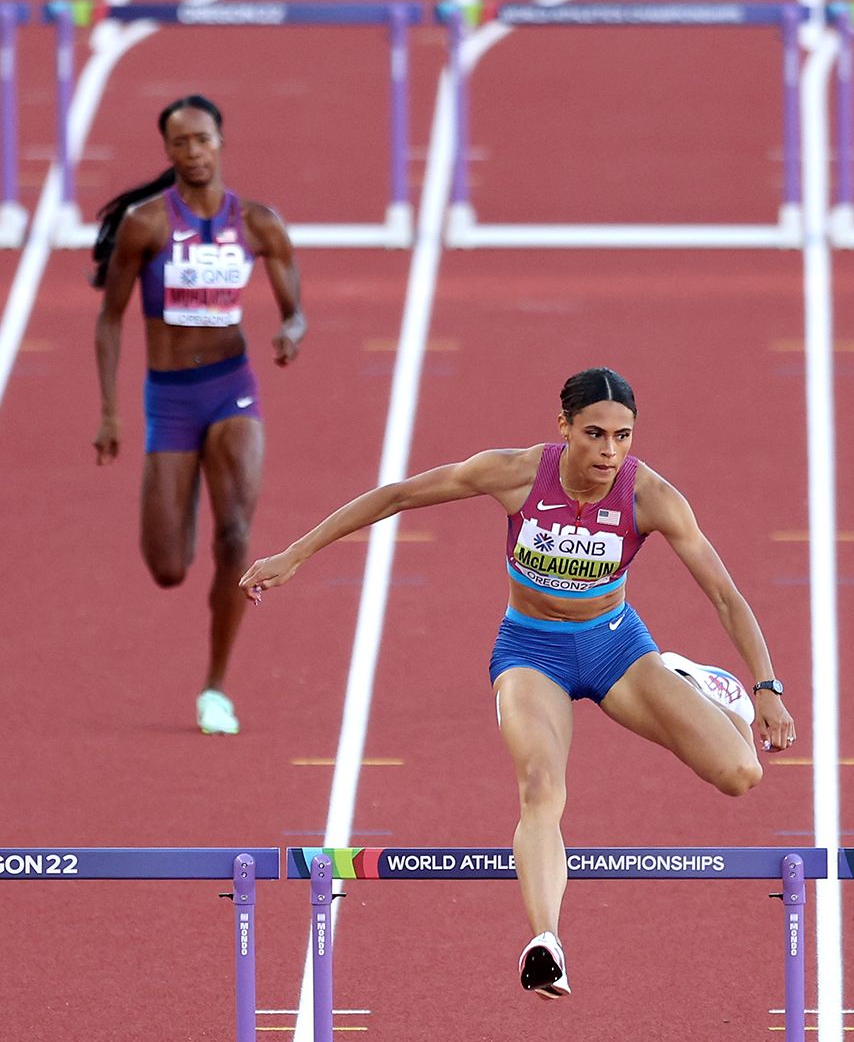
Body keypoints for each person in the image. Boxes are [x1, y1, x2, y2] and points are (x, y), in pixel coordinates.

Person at [241, 368, 796, 997]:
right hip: (532, 652)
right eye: (595, 434)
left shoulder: (652, 498)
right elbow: (396, 495)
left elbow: (723, 594)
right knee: (540, 788)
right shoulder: (514, 474)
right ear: (563, 427)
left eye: (623, 436)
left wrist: (766, 684)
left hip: (616, 647)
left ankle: (691, 679)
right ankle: (547, 943)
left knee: (741, 774)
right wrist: (295, 554)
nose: (610, 452)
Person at [89, 96, 304, 734]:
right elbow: (109, 319)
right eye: (180, 143)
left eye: (202, 139)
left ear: (221, 141)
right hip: (169, 400)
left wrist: (292, 330)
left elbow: (295, 305)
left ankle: (216, 687)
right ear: (168, 152)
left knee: (236, 533)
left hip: (232, 388)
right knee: (168, 567)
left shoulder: (259, 224)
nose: (193, 152)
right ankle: (177, 494)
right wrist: (109, 412)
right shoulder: (145, 226)